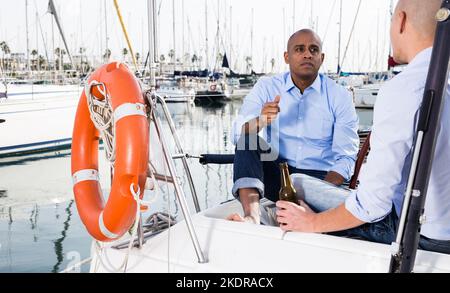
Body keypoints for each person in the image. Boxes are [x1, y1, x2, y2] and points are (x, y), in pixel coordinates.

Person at [275, 0, 450, 254]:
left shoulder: (405, 88)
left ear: (400, 21)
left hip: (418, 235)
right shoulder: (444, 80)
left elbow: (372, 206)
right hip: (442, 228)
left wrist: (311, 223)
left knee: (299, 182)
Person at [227, 29, 360, 224]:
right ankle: (252, 216)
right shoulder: (267, 87)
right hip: (279, 175)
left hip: (320, 179)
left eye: (313, 50)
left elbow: (346, 157)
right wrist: (262, 120)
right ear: (287, 57)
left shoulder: (339, 96)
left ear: (321, 58)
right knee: (247, 140)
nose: (307, 54)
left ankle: (303, 209)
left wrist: (319, 192)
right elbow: (237, 134)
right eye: (300, 49)